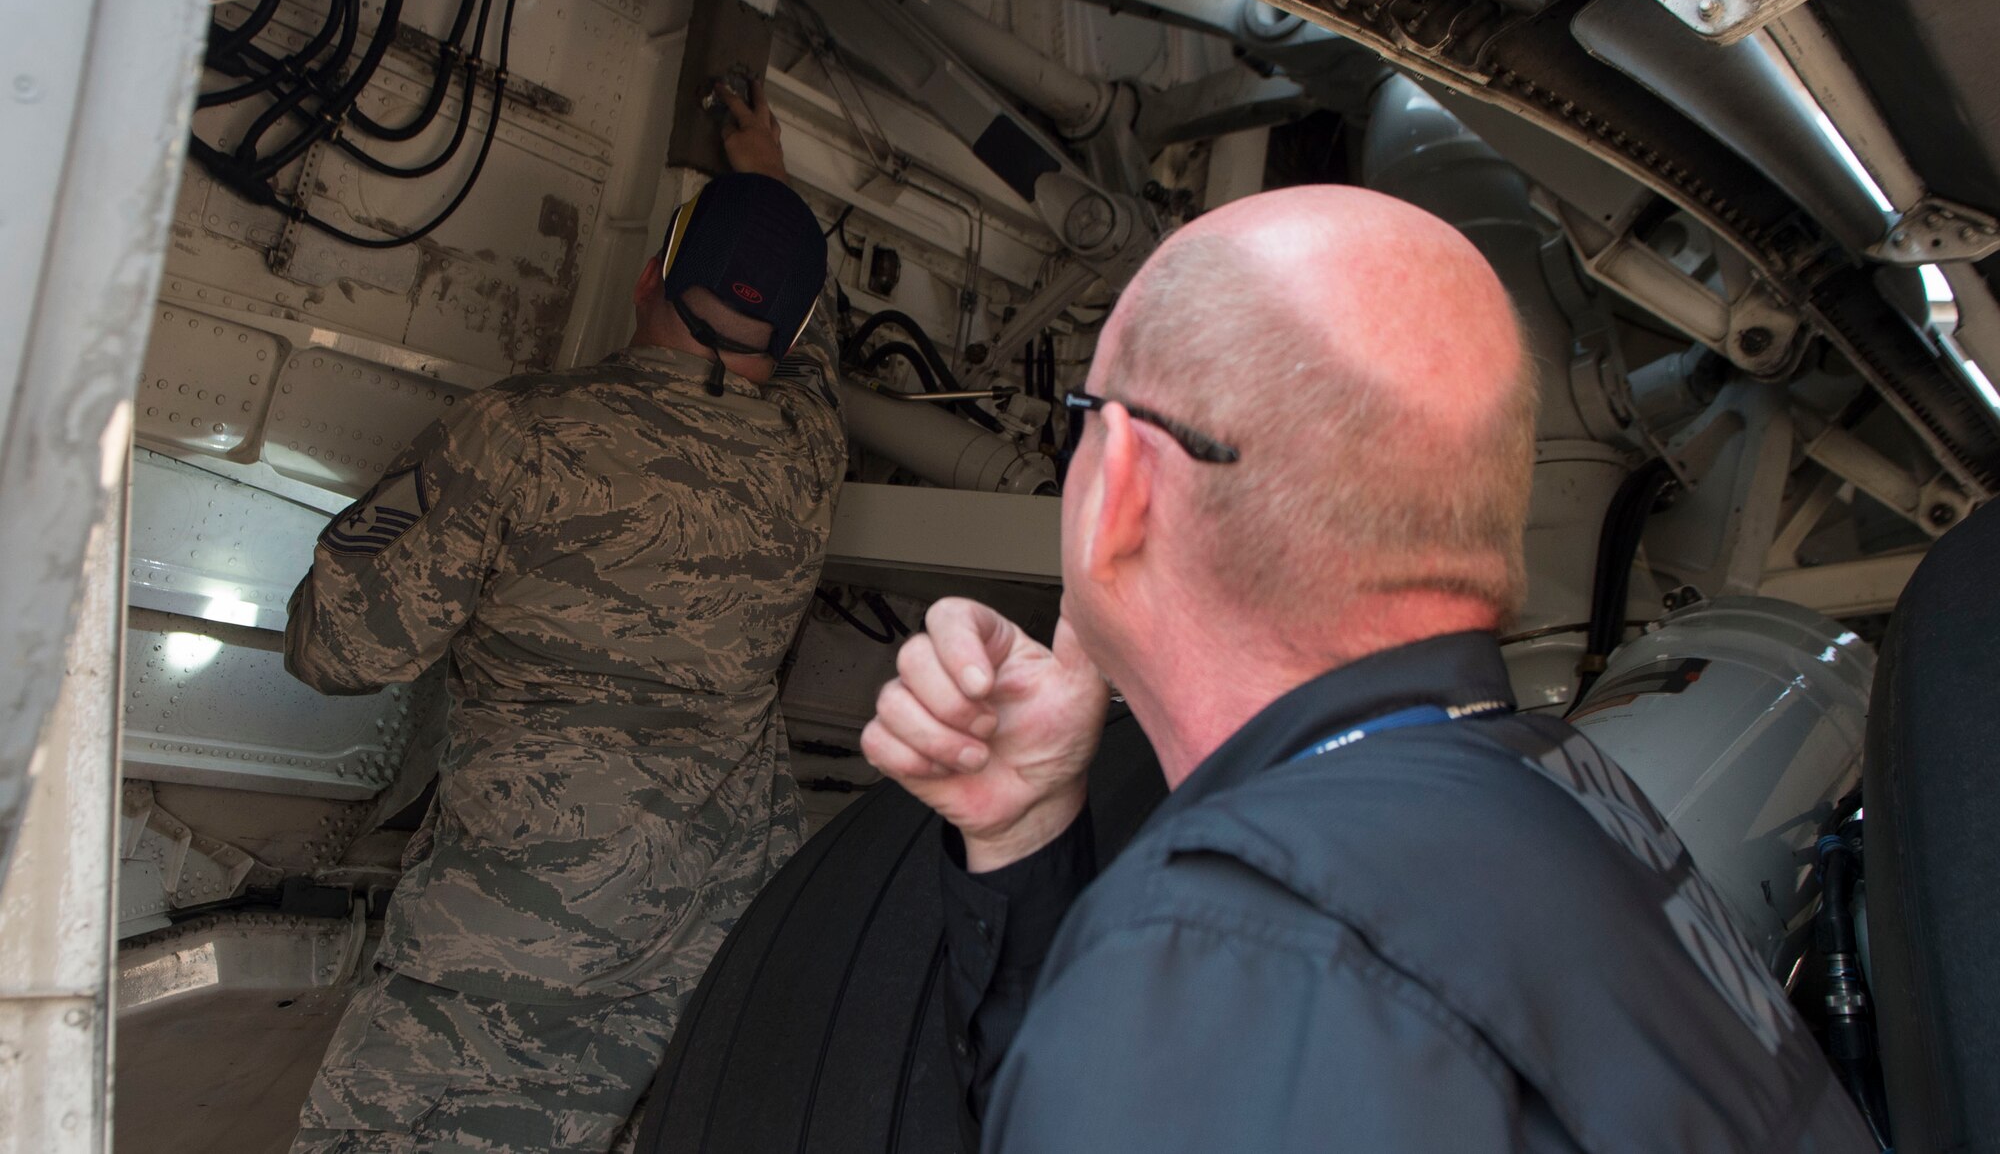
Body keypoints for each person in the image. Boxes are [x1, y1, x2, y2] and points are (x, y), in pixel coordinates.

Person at [862, 187, 1872, 1152]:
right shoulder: (1578, 802)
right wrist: (1027, 832)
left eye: (1079, 417)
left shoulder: (1236, 944)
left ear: (1121, 482)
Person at [285, 81, 844, 1153]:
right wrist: (768, 182)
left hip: (500, 968)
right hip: (693, 971)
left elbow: (342, 648)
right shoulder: (808, 457)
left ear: (647, 278)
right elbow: (814, 356)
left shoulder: (515, 436)